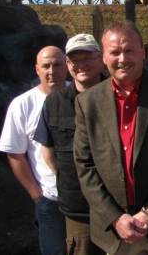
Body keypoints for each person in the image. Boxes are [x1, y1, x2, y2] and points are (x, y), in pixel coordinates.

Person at [73, 20, 148, 255]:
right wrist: (115, 218)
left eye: (129, 50)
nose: (122, 58)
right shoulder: (88, 102)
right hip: (114, 234)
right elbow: (84, 165)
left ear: (142, 52)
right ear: (103, 58)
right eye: (114, 52)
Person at [34, 34, 106, 255]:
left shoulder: (119, 96)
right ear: (68, 64)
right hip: (78, 210)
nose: (81, 65)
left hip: (120, 207)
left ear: (100, 59)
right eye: (75, 60)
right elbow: (49, 153)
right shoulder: (53, 103)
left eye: (88, 58)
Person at [0, 46, 68, 255]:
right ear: (37, 70)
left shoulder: (83, 96)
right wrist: (37, 195)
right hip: (50, 199)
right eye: (46, 66)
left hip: (87, 197)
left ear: (67, 66)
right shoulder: (21, 105)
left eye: (57, 64)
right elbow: (14, 153)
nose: (52, 71)